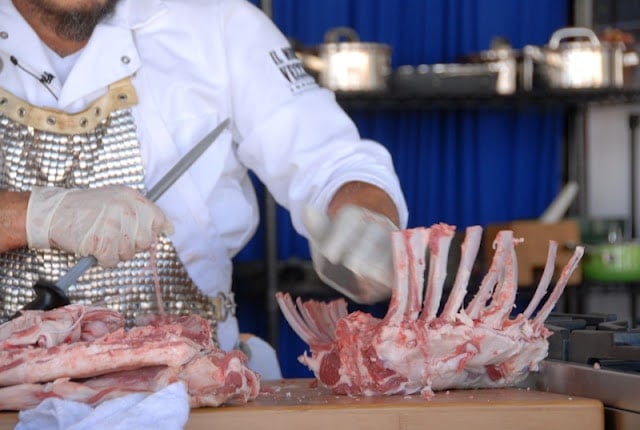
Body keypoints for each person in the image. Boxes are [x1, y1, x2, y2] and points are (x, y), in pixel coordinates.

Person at [0, 0, 408, 379]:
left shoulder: (218, 23)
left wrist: (365, 223)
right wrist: (34, 215)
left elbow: (332, 162)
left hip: (195, 386)